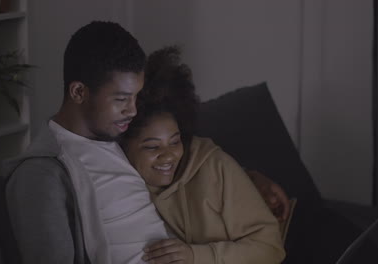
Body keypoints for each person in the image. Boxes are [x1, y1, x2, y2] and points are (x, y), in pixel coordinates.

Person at [4, 21, 290, 264]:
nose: (133, 109)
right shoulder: (42, 175)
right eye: (121, 99)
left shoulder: (118, 137)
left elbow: (179, 160)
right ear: (79, 91)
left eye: (135, 97)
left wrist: (247, 176)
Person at [120, 46, 287, 264]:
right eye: (152, 147)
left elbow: (271, 249)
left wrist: (196, 255)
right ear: (123, 145)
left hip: (299, 236)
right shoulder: (119, 181)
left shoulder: (214, 167)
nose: (168, 156)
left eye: (175, 141)